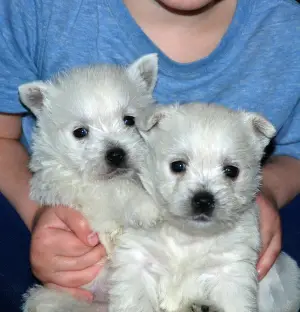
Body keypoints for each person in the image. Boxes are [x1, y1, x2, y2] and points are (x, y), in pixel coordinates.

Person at [0, 0, 299, 311]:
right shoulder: (37, 9)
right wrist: (37, 212)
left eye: (129, 122)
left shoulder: (288, 29)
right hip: (41, 231)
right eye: (179, 166)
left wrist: (269, 190)